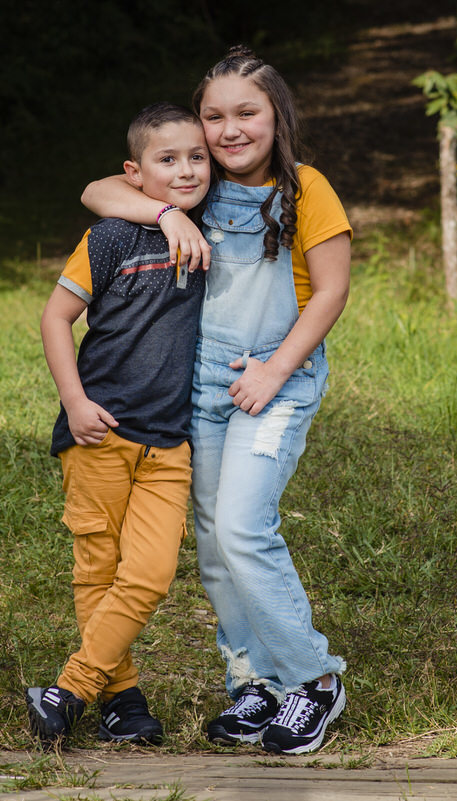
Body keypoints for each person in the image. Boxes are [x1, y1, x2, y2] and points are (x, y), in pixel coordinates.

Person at [81, 45, 351, 755]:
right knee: (211, 540)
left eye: (247, 113)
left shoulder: (306, 190)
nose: (230, 129)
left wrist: (272, 372)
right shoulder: (190, 192)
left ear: (278, 116)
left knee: (242, 527)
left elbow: (331, 292)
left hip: (276, 382)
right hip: (200, 391)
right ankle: (253, 684)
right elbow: (96, 192)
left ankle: (312, 681)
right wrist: (165, 216)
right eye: (214, 117)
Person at [27, 102, 211, 748]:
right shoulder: (112, 237)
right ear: (136, 172)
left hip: (169, 440)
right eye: (168, 160)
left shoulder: (210, 225)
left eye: (197, 156)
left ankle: (69, 689)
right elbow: (56, 318)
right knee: (98, 568)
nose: (186, 170)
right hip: (98, 430)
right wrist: (74, 401)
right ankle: (123, 700)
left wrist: (175, 209)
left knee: (151, 571)